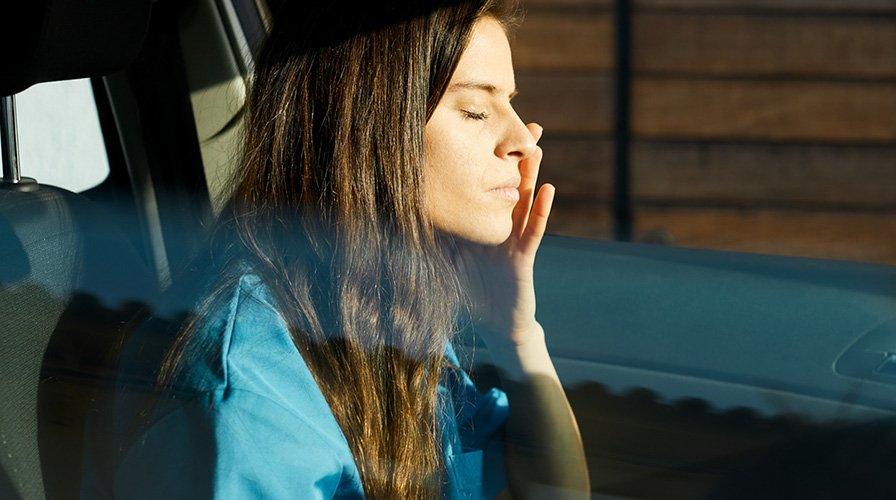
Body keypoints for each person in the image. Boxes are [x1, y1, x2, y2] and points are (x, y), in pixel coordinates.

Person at [81, 0, 589, 499]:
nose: (525, 138)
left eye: (511, 102)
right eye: (477, 110)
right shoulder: (248, 392)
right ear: (368, 125)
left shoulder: (385, 309)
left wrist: (516, 333)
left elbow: (554, 490)